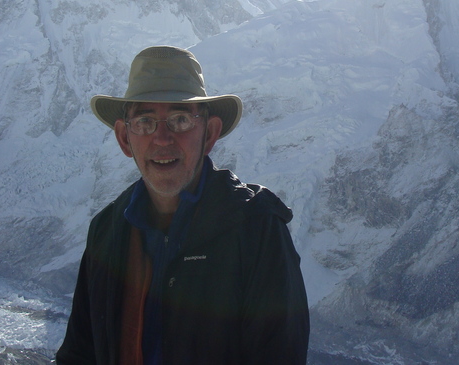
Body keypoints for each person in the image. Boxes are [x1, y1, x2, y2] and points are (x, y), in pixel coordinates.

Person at [55, 45, 310, 365]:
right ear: (124, 138)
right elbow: (81, 353)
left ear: (209, 133)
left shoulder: (257, 230)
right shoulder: (106, 231)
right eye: (146, 121)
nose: (162, 139)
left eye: (180, 119)